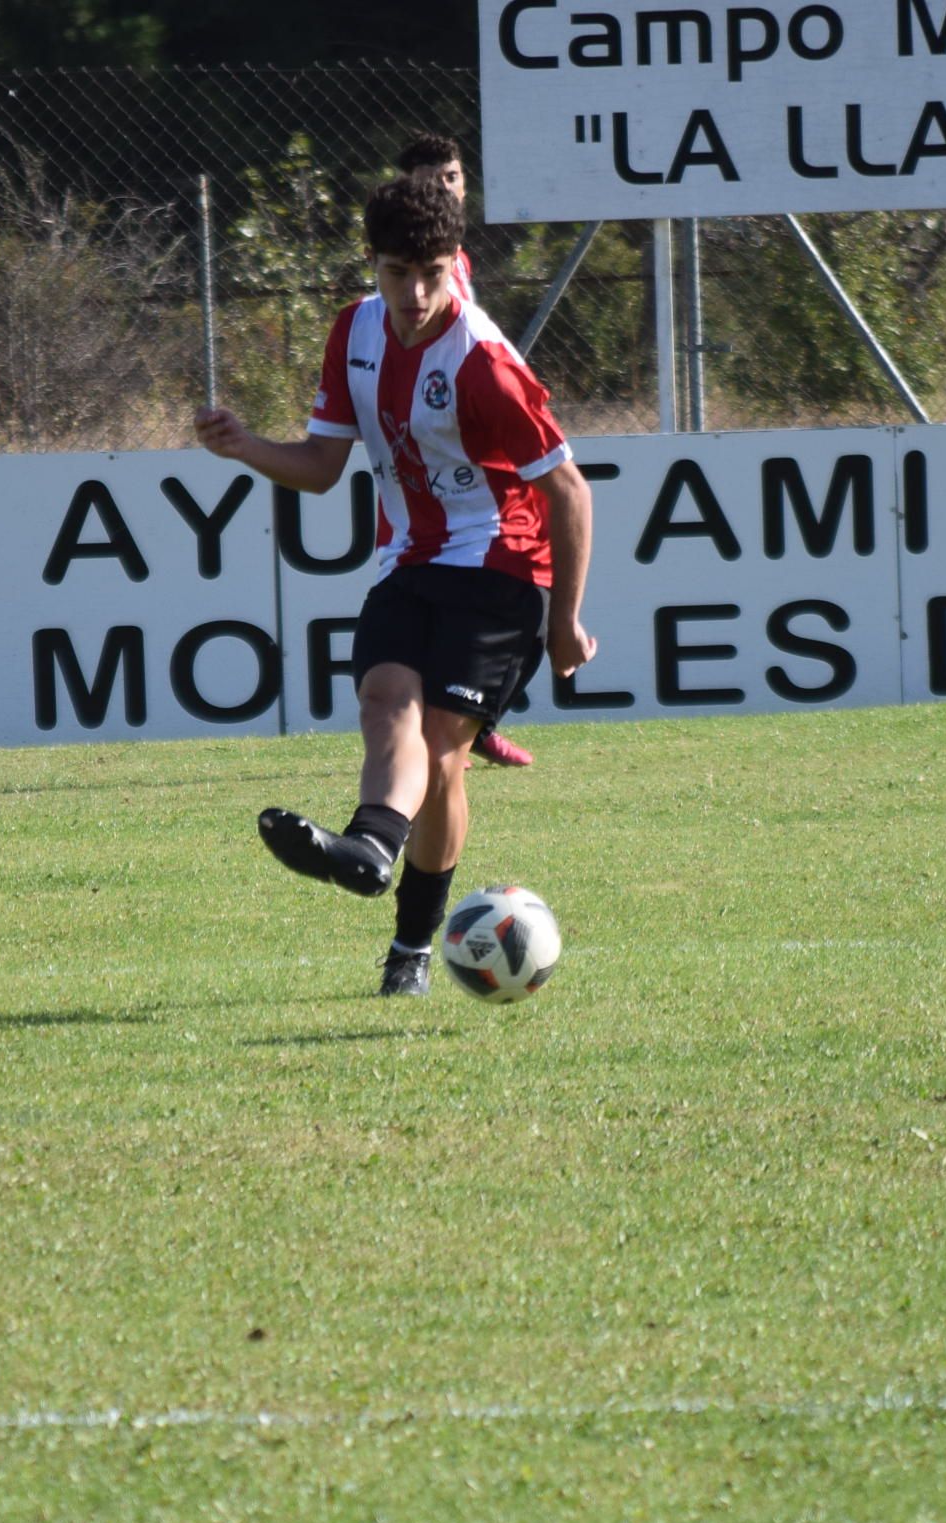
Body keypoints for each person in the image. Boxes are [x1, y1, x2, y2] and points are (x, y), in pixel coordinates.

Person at [194, 174, 595, 998]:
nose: (414, 294)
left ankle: (409, 941)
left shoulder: (484, 364)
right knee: (384, 699)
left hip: (501, 567)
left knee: (444, 746)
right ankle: (374, 851)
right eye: (395, 273)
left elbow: (570, 491)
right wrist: (244, 447)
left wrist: (565, 622)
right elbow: (319, 466)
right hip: (411, 558)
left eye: (432, 273)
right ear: (370, 265)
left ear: (455, 265)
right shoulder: (356, 333)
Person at [394, 132, 535, 773]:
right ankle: (467, 716)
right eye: (431, 180)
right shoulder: (403, 278)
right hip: (431, 468)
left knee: (529, 570)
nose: (446, 189)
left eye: (453, 177)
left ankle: (477, 716)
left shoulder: (462, 262)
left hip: (473, 458)